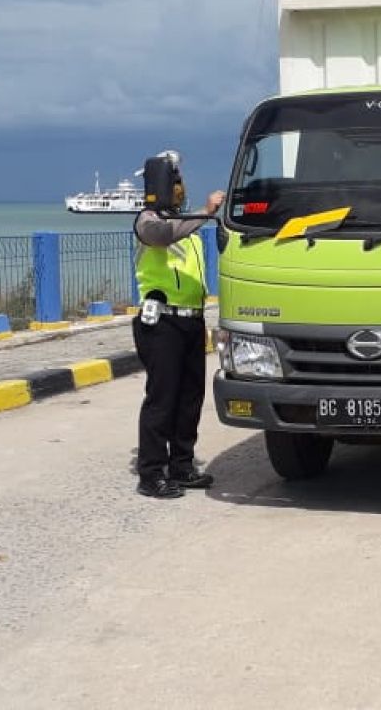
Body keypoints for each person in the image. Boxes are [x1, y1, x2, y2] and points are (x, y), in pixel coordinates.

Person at [132, 150, 226, 499]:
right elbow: (159, 235)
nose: (181, 189)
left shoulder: (185, 226)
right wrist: (205, 212)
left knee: (190, 399)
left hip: (191, 321)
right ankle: (151, 473)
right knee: (162, 400)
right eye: (177, 183)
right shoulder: (148, 220)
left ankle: (182, 466)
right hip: (162, 325)